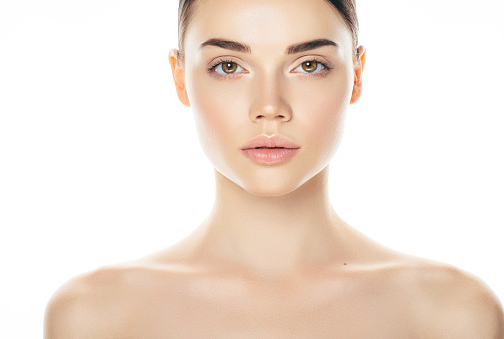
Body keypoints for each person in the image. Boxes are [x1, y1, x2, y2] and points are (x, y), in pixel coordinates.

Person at [44, 0, 504, 337]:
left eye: (308, 64)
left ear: (357, 75)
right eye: (228, 65)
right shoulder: (95, 318)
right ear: (181, 77)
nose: (269, 107)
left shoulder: (451, 316)